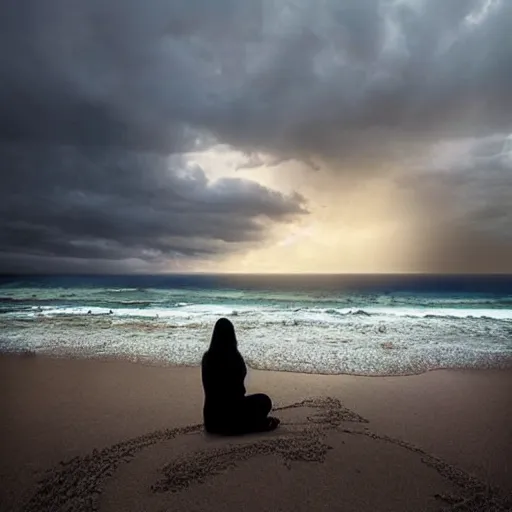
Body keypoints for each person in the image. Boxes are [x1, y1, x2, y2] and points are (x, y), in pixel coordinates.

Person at [201, 318, 280, 435]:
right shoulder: (235, 358)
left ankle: (252, 425)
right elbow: (239, 389)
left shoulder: (207, 358)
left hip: (211, 421)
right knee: (264, 400)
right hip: (233, 415)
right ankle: (254, 424)